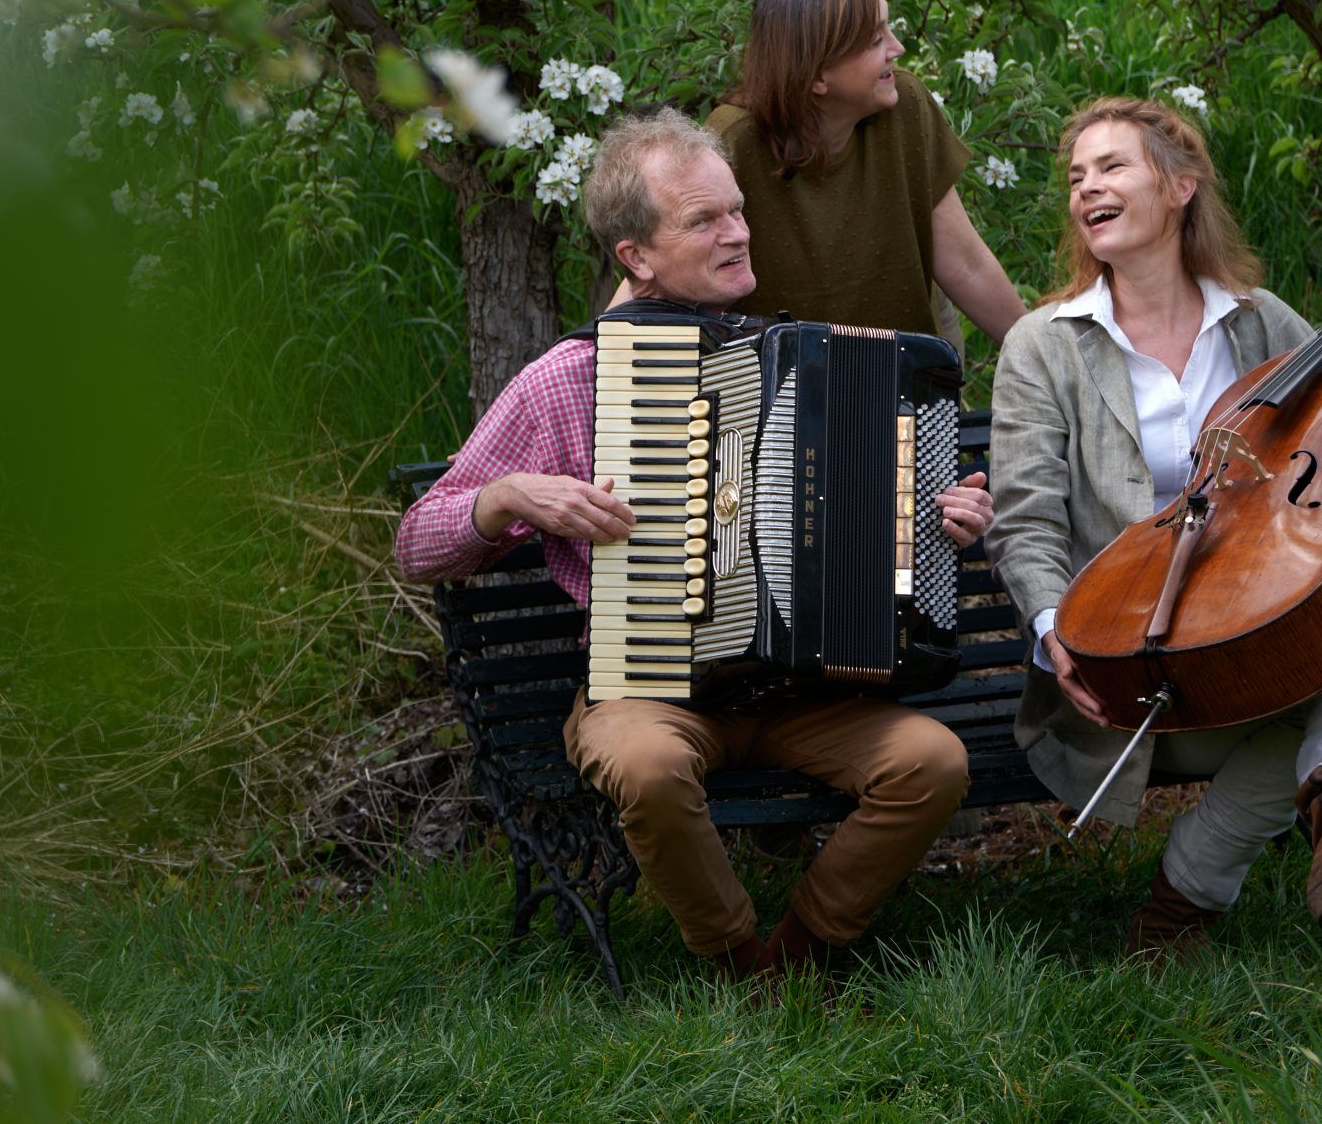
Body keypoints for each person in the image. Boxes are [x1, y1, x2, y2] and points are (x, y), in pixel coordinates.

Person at [394, 108, 996, 982]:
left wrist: (935, 520)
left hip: (803, 689)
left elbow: (878, 538)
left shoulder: (811, 361)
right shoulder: (570, 380)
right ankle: (735, 958)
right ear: (634, 254)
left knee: (932, 762)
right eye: (705, 220)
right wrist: (503, 496)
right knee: (644, 764)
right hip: (652, 688)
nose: (738, 233)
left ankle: (801, 950)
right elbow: (417, 541)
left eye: (738, 210)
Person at [986, 96, 1322, 959]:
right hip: (1128, 664)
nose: (1088, 186)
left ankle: (1223, 877)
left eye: (1113, 166)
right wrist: (1057, 634)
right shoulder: (1041, 345)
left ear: (1180, 186)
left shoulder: (1262, 322)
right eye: (1077, 175)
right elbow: (1024, 522)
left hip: (1248, 633)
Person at [702, 0, 1024, 349]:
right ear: (817, 74)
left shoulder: (904, 105)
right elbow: (660, 272)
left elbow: (967, 265)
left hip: (903, 381)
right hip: (776, 398)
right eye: (876, 39)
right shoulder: (730, 142)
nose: (898, 48)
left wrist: (1053, 370)